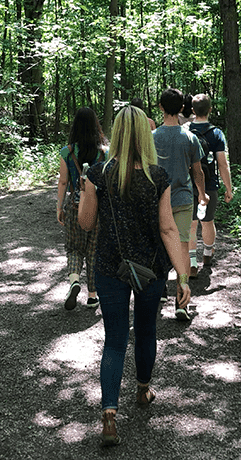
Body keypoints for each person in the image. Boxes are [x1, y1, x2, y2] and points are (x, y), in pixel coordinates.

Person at [78, 105, 191, 447]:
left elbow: (85, 223)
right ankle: (143, 391)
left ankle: (109, 415)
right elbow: (169, 228)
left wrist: (86, 189)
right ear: (144, 135)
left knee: (114, 340)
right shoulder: (157, 177)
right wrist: (183, 279)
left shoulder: (98, 174)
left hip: (110, 267)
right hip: (152, 268)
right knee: (145, 332)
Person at [152, 88, 208, 320]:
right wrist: (202, 194)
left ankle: (156, 296)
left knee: (157, 247)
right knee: (183, 247)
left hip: (157, 201)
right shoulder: (190, 138)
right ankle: (181, 301)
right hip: (183, 199)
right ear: (183, 109)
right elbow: (198, 172)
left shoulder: (152, 138)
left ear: (161, 107)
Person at [56, 107, 108, 310]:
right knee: (95, 250)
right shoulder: (105, 152)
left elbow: (62, 182)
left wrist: (59, 207)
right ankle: (93, 295)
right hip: (99, 209)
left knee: (74, 248)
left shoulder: (66, 152)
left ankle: (75, 280)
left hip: (75, 206)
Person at [188, 94, 234, 275]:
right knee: (207, 222)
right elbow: (222, 163)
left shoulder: (185, 131)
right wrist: (228, 188)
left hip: (188, 183)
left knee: (191, 225)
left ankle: (192, 262)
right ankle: (207, 254)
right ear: (210, 110)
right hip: (209, 184)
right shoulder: (216, 133)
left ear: (192, 111)